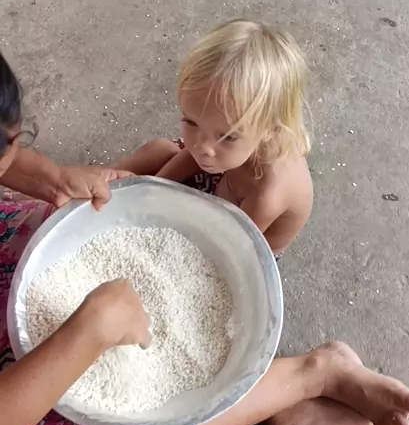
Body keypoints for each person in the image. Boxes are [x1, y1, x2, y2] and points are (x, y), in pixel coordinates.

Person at [0, 47, 409, 425]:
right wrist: (89, 331)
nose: (203, 146)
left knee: (53, 217)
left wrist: (52, 178)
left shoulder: (267, 186)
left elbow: (236, 238)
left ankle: (297, 386)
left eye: (13, 145)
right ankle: (315, 376)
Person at [117, 20, 314, 257]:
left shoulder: (267, 195)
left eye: (227, 136)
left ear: (270, 129)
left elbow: (224, 248)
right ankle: (104, 185)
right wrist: (153, 189)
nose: (202, 146)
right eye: (191, 122)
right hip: (224, 176)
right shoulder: (228, 143)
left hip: (239, 235)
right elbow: (192, 155)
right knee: (160, 150)